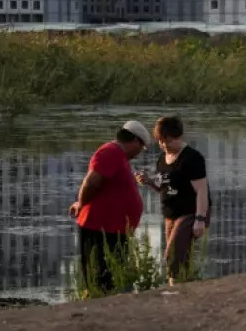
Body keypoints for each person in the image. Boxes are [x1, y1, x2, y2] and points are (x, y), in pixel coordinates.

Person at [69, 120, 150, 294]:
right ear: (135, 141)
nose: (139, 153)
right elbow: (91, 182)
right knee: (100, 274)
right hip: (100, 229)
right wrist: (81, 203)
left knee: (111, 274)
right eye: (141, 147)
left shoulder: (118, 155)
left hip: (112, 229)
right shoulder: (110, 152)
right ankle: (97, 302)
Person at [137, 116, 211, 285]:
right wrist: (149, 181)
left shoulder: (192, 158)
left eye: (167, 141)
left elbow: (202, 191)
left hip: (190, 212)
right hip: (170, 214)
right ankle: (183, 288)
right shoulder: (162, 160)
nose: (163, 145)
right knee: (181, 256)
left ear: (178, 136)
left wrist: (200, 219)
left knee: (172, 255)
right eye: (160, 141)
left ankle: (174, 288)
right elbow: (164, 188)